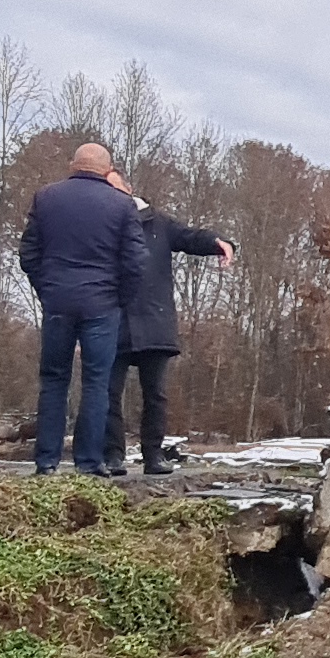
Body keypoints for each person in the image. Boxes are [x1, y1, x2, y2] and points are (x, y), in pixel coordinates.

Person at [15, 140, 153, 476]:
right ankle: (89, 462)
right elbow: (136, 261)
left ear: (73, 164)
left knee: (53, 379)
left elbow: (28, 254)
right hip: (102, 303)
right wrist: (119, 298)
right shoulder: (122, 205)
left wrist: (47, 289)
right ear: (107, 170)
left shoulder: (46, 197)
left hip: (58, 300)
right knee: (96, 382)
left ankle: (47, 460)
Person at [102, 171, 230, 475]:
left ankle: (153, 455)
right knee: (107, 393)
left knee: (155, 394)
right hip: (111, 319)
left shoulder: (157, 222)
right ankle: (112, 456)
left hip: (154, 319)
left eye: (114, 188)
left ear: (129, 190)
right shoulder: (99, 224)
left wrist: (218, 243)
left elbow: (188, 237)